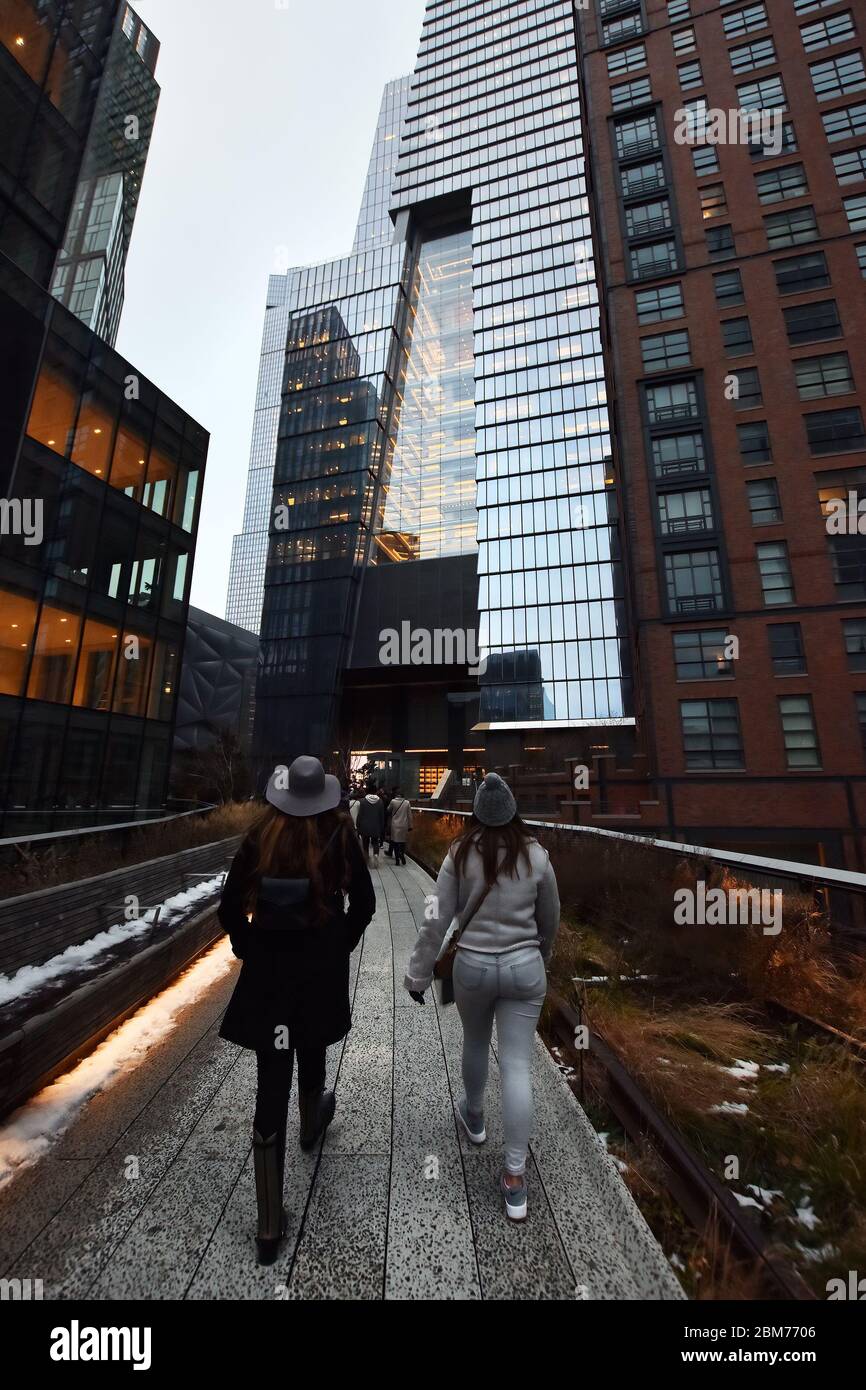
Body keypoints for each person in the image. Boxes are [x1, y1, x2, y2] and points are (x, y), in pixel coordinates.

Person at [218, 756, 375, 1264]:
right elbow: (366, 904)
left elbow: (226, 906)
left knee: (270, 1079)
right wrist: (339, 942)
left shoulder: (262, 834)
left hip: (269, 970)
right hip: (317, 967)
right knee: (313, 1039)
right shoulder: (340, 835)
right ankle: (311, 1124)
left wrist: (248, 945)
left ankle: (268, 1226)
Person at [404, 773, 560, 1223]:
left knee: (474, 1042)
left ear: (475, 814)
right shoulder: (537, 856)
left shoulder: (459, 853)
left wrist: (418, 974)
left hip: (471, 966)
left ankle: (474, 1117)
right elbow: (551, 917)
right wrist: (539, 957)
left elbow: (436, 918)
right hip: (523, 968)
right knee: (517, 1065)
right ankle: (514, 1179)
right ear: (513, 811)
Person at [356, 788, 385, 862]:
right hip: (376, 826)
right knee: (375, 842)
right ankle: (375, 855)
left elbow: (360, 815)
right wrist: (382, 827)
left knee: (365, 843)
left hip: (364, 826)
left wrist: (358, 825)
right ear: (375, 792)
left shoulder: (362, 801)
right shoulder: (380, 801)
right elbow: (382, 816)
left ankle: (366, 858)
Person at [387, 789, 413, 866]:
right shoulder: (407, 803)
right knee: (402, 842)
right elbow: (409, 815)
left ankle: (397, 859)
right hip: (404, 825)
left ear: (396, 794)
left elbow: (388, 810)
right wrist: (410, 825)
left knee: (395, 842)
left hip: (395, 825)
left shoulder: (393, 801)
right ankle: (402, 854)